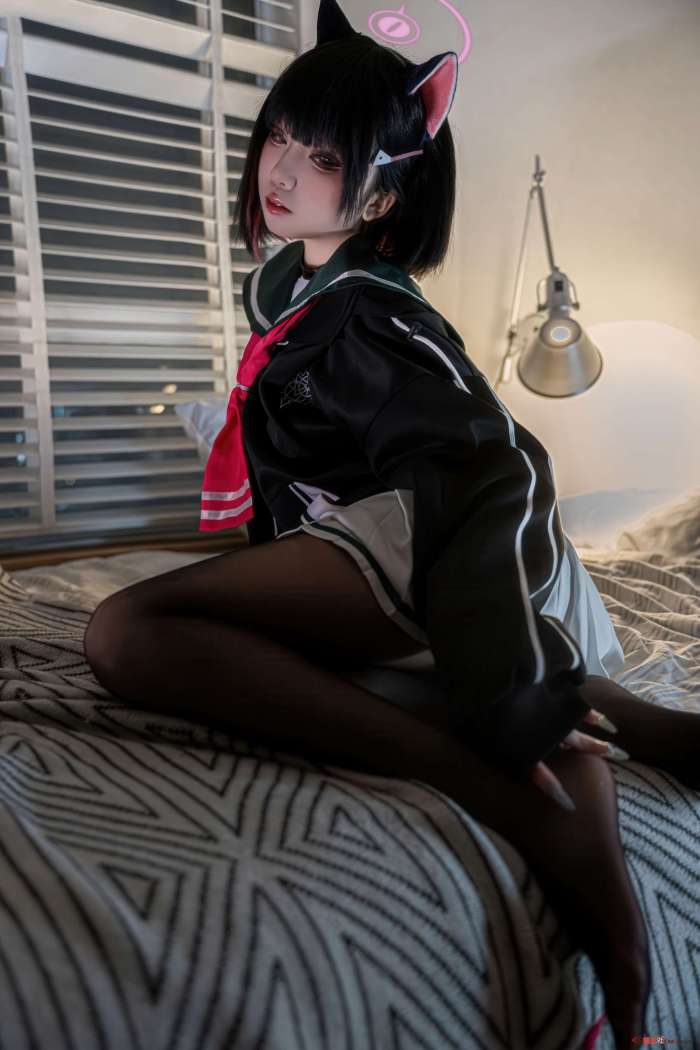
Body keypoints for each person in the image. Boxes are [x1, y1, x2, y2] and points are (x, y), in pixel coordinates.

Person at [83, 0, 700, 1044]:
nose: (282, 169)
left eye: (323, 158)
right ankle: (623, 720)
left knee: (128, 630)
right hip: (395, 538)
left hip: (455, 536)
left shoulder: (369, 312)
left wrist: (506, 681)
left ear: (378, 196)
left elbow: (488, 466)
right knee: (215, 642)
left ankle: (517, 807)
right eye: (282, 137)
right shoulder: (297, 288)